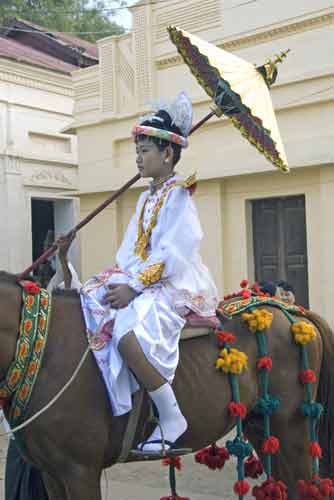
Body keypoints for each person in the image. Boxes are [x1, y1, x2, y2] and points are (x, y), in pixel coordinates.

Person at [76, 92, 218, 455]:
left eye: (144, 151)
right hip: (140, 278)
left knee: (126, 333)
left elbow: (175, 252)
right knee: (90, 303)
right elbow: (131, 250)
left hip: (172, 283)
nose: (138, 158)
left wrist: (135, 287)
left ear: (167, 154)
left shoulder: (179, 195)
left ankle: (172, 417)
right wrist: (121, 279)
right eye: (137, 151)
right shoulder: (145, 198)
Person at [4, 233, 77, 500]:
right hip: (21, 434)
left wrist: (64, 257)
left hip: (48, 426)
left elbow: (71, 290)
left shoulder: (52, 313)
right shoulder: (17, 315)